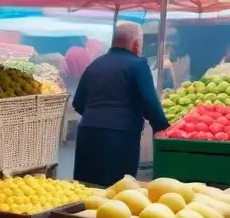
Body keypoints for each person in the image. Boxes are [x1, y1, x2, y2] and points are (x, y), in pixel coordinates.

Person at [72, 22, 168, 186]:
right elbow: (149, 100)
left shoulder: (95, 64)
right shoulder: (138, 65)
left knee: (86, 188)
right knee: (117, 190)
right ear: (137, 44)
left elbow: (78, 102)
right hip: (120, 136)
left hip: (87, 132)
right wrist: (161, 127)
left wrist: (97, 117)